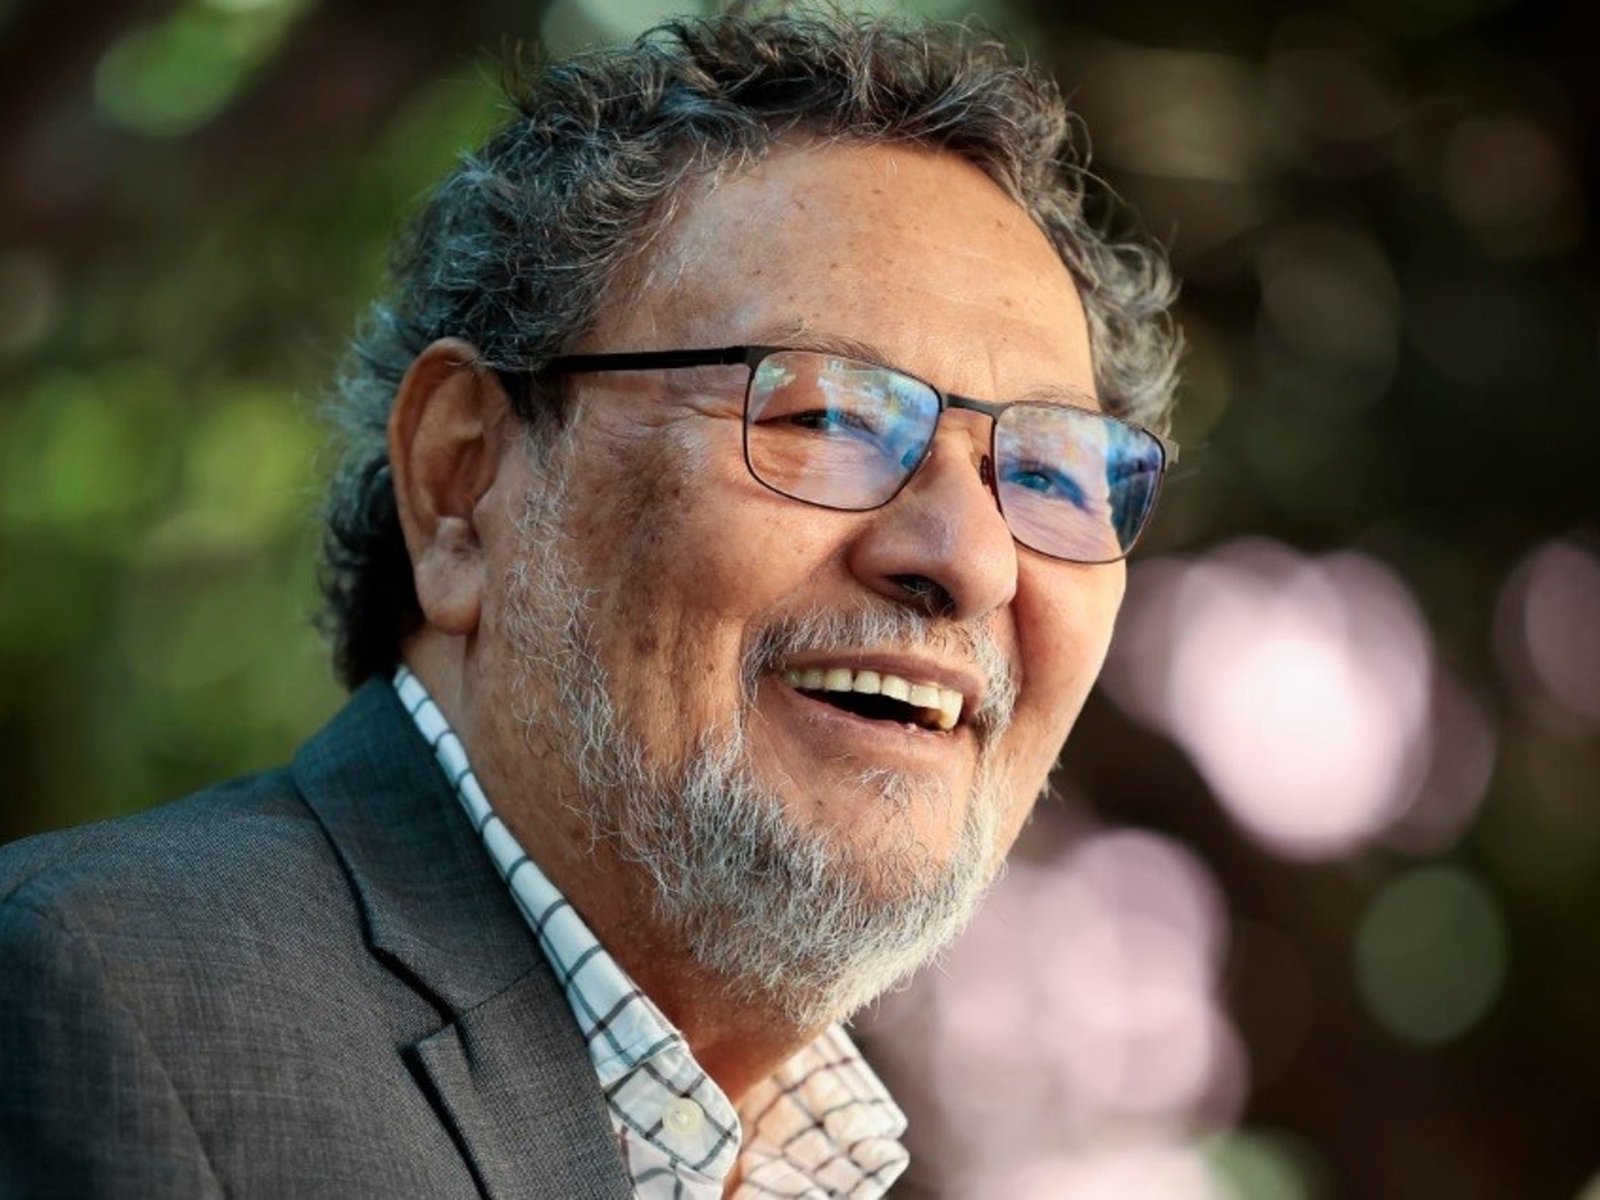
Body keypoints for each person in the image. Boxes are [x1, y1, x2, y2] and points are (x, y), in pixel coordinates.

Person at [0, 10, 1180, 1197]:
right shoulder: (99, 999)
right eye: (822, 416)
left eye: (1049, 476)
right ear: (462, 483)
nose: (971, 560)